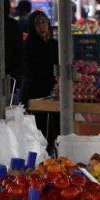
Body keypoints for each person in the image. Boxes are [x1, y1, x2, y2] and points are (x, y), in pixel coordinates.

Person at [20, 11, 59, 144]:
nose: (42, 26)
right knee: (38, 130)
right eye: (37, 24)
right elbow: (30, 71)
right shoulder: (29, 45)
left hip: (52, 92)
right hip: (34, 92)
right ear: (32, 27)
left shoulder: (54, 44)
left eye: (44, 22)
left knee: (55, 128)